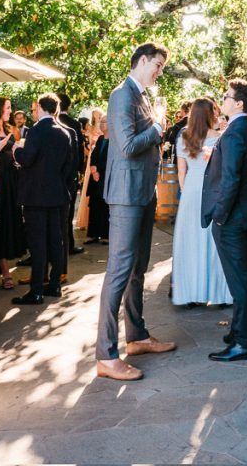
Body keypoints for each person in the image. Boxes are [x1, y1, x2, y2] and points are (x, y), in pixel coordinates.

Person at [95, 42, 177, 382]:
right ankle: (106, 354)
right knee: (119, 269)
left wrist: (157, 127)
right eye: (157, 65)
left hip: (144, 194)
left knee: (137, 268)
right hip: (126, 195)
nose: (160, 71)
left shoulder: (142, 95)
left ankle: (138, 337)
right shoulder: (122, 95)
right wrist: (157, 129)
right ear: (142, 61)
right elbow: (127, 146)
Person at [202, 78, 247, 361]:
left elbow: (231, 179)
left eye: (226, 96)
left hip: (232, 218)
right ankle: (238, 330)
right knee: (242, 277)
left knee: (238, 283)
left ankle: (243, 343)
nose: (223, 100)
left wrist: (220, 215)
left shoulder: (234, 133)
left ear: (239, 103)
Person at [12, 93, 74, 306]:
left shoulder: (36, 130)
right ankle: (55, 284)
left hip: (36, 195)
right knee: (56, 240)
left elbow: (27, 159)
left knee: (38, 243)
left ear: (40, 107)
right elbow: (68, 165)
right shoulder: (65, 133)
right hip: (57, 193)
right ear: (56, 109)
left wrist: (16, 152)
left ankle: (36, 290)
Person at [172, 97, 232, 305]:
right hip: (213, 190)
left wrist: (186, 190)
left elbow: (181, 172)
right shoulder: (219, 137)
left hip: (191, 190)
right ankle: (218, 294)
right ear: (209, 114)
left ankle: (191, 294)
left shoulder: (184, 138)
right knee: (214, 243)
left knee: (190, 242)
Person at [0, 96, 26, 289]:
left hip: (11, 183)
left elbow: (13, 153)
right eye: (8, 107)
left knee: (7, 225)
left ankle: (1, 270)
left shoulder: (10, 130)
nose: (10, 111)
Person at [57, 93, 84, 256]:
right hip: (71, 175)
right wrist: (78, 171)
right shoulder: (74, 124)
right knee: (67, 214)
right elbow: (79, 150)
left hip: (53, 176)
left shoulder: (48, 121)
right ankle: (68, 245)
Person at [85, 113, 110, 244]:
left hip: (106, 177)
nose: (101, 124)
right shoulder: (100, 139)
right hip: (95, 178)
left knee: (105, 207)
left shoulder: (114, 141)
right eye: (101, 121)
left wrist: (99, 171)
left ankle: (106, 235)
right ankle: (93, 234)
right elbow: (94, 155)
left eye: (104, 122)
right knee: (94, 205)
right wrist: (94, 169)